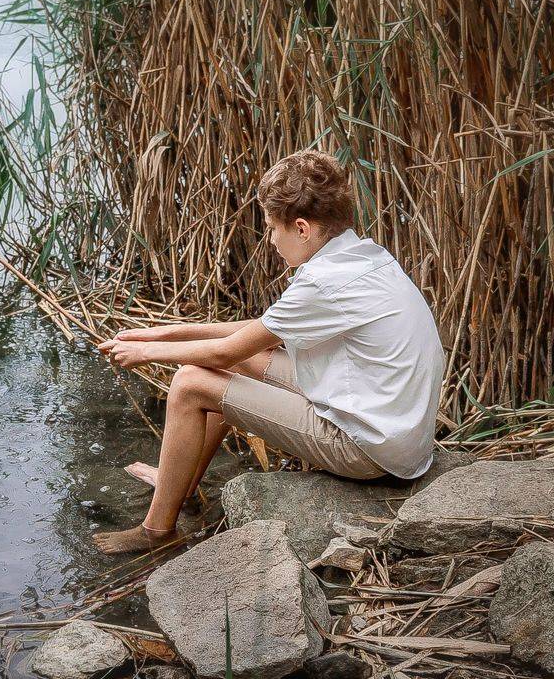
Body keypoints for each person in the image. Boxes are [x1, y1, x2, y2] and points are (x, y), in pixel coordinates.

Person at [92, 149, 444, 554]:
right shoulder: (362, 255)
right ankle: (179, 483)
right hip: (391, 425)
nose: (271, 240)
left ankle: (157, 532)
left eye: (272, 228)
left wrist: (145, 355)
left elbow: (223, 354)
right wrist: (157, 335)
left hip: (368, 446)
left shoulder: (322, 282)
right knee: (236, 364)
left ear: (301, 228)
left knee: (191, 383)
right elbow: (256, 333)